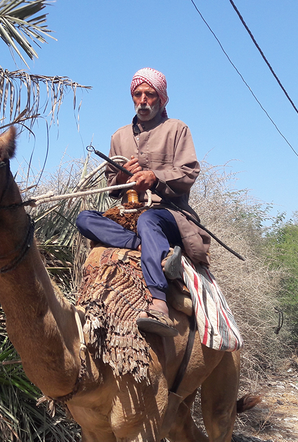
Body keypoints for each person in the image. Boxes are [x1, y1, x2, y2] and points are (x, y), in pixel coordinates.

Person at [76, 67, 211, 337]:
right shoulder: (119, 137)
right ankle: (148, 246)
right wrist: (125, 177)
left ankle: (159, 301)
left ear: (161, 98)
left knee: (150, 221)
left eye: (149, 94)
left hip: (168, 212)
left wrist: (155, 177)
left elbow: (188, 173)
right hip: (127, 214)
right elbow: (112, 186)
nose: (143, 100)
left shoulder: (176, 129)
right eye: (137, 94)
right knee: (84, 219)